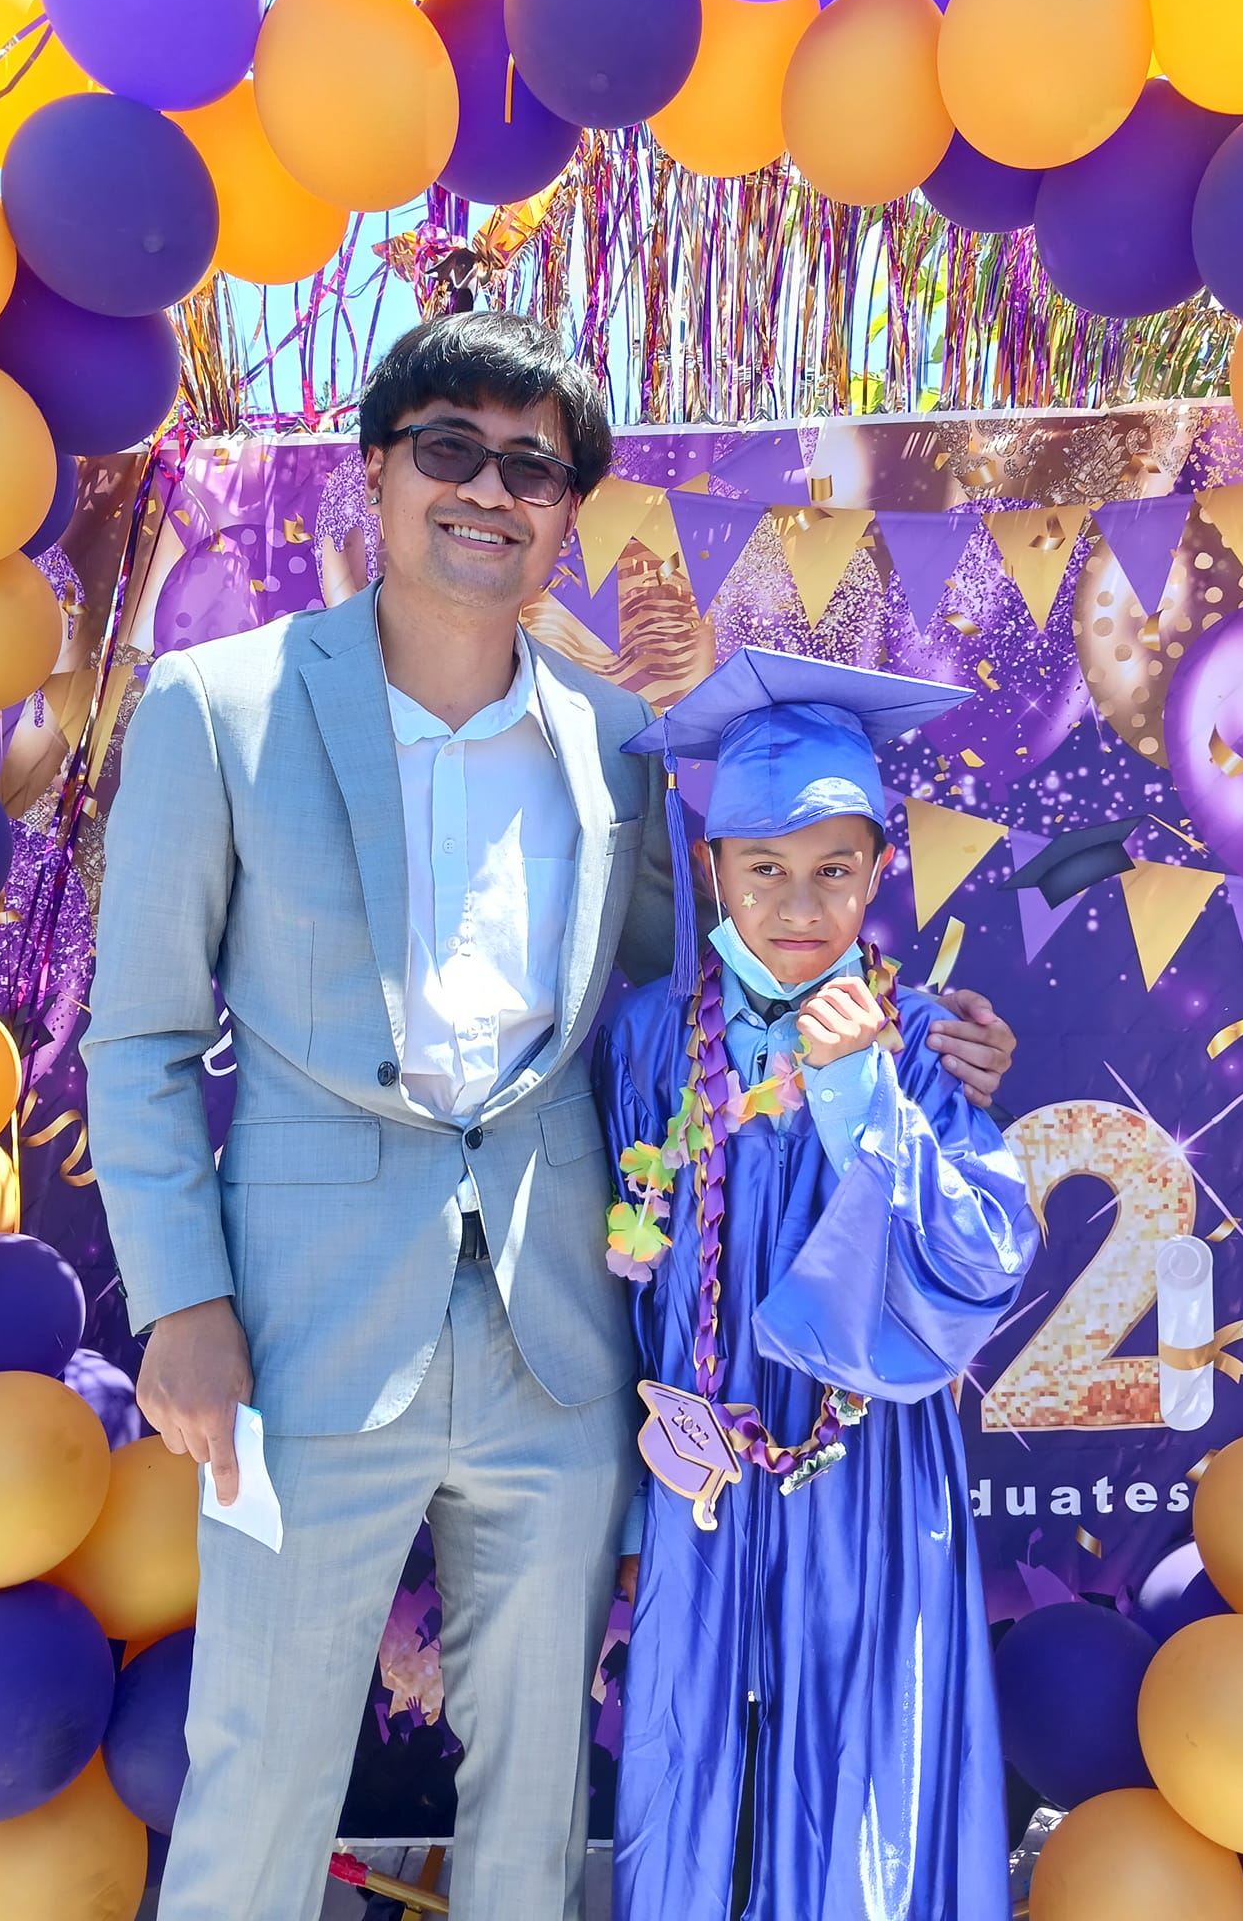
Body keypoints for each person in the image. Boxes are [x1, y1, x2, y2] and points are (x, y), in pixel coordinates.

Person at [81, 311, 1019, 1921]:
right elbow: (146, 1039)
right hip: (299, 1339)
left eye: (533, 466)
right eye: (449, 448)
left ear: (568, 511)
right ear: (377, 473)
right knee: (260, 1779)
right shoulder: (217, 706)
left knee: (536, 1802)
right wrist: (182, 1304)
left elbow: (714, 1003)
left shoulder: (614, 745)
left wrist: (918, 1038)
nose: (487, 490)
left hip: (560, 1345)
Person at [598, 648, 1040, 1921]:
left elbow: (983, 1256)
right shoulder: (649, 1036)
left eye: (835, 869)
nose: (799, 905)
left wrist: (861, 1098)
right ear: (712, 869)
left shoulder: (925, 1039)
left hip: (870, 1472)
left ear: (880, 867)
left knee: (861, 1759)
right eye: (764, 869)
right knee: (690, 1754)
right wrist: (630, 1506)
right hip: (699, 1461)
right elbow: (620, 1278)